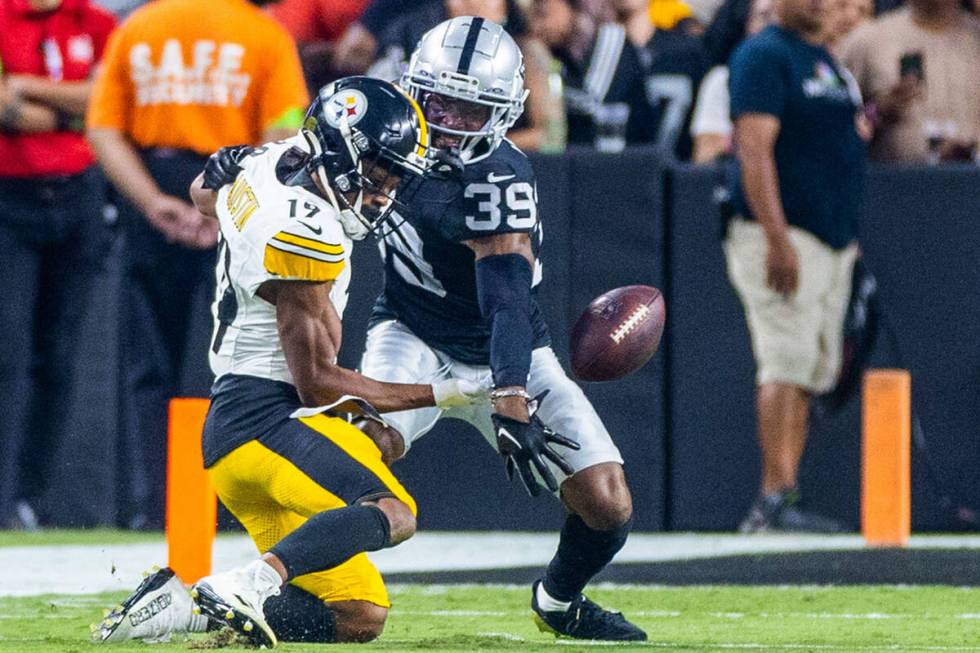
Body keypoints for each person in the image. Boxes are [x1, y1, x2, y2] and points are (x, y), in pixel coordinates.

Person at [92, 77, 487, 647]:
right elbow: (318, 385)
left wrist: (222, 169)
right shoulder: (302, 230)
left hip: (235, 429)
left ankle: (184, 607)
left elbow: (205, 192)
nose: (385, 192)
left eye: (396, 177)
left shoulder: (271, 160)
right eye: (378, 174)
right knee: (393, 511)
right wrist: (444, 394)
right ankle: (254, 583)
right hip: (264, 422)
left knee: (358, 615)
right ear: (339, 154)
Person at [358, 17, 646, 641]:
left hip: (506, 349)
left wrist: (510, 393)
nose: (453, 121)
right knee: (355, 454)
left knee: (608, 501)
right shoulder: (378, 135)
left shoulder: (499, 178)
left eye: (472, 108)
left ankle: (558, 600)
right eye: (440, 102)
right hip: (411, 333)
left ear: (503, 111)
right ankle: (304, 585)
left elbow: (507, 304)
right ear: (413, 89)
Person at [85, 0, 310, 529]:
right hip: (236, 190)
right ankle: (233, 502)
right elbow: (285, 133)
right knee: (241, 358)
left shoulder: (140, 26)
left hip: (154, 184)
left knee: (150, 366)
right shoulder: (262, 33)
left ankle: (158, 506)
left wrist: (150, 202)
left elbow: (101, 129)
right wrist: (230, 204)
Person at [726, 0, 865, 533]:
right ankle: (773, 499)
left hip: (830, 237)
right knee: (785, 361)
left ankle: (785, 494)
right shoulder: (763, 55)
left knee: (808, 369)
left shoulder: (825, 61)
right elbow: (753, 149)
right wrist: (777, 238)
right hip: (784, 234)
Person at [0, 0, 115, 529]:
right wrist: (72, 108)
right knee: (6, 350)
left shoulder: (95, 22)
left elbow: (110, 100)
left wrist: (23, 86)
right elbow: (6, 109)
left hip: (77, 196)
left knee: (58, 354)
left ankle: (31, 496)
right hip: (9, 196)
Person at [366, 0, 565, 153]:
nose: (477, 5)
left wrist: (474, 147)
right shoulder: (410, 37)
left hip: (493, 173)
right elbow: (379, 113)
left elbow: (552, 138)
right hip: (417, 162)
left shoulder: (528, 52)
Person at [533, 0, 705, 156]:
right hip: (607, 161)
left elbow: (591, 99)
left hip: (644, 160)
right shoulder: (571, 51)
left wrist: (539, 85)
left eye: (544, 13)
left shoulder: (612, 36)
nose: (540, 24)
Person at [839, 0, 980, 162]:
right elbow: (830, 127)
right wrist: (878, 111)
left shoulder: (975, 41)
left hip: (973, 181)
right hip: (894, 182)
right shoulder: (868, 41)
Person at [689, 0, 775, 163]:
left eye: (777, 16)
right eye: (764, 16)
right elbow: (705, 160)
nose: (773, 25)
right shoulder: (722, 80)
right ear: (745, 23)